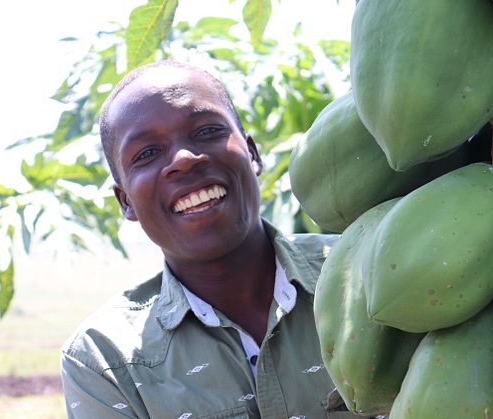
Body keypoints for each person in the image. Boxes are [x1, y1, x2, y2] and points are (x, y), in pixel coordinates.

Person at [60, 60, 361, 418]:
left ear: (252, 154)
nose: (184, 159)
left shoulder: (361, 271)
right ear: (126, 201)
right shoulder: (105, 358)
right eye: (147, 154)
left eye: (207, 131)